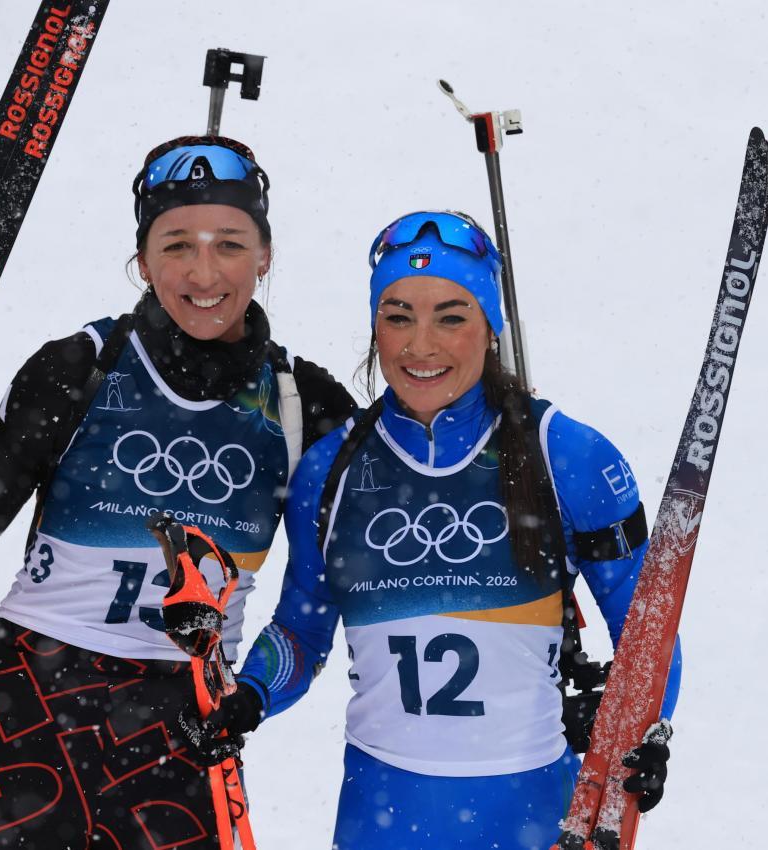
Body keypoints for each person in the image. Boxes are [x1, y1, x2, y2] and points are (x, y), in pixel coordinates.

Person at [0, 136, 355, 849]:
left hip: (188, 715)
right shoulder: (77, 369)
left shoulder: (304, 406)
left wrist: (253, 696)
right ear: (142, 260)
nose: (203, 273)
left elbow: (336, 591)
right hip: (33, 692)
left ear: (265, 255)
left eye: (229, 244)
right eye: (176, 246)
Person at [204, 211, 683, 849]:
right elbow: (301, 630)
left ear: (491, 327)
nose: (420, 345)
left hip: (531, 812)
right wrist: (249, 695)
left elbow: (648, 634)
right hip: (381, 813)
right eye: (398, 316)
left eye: (451, 317)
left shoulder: (566, 456)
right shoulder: (331, 471)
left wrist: (642, 731)